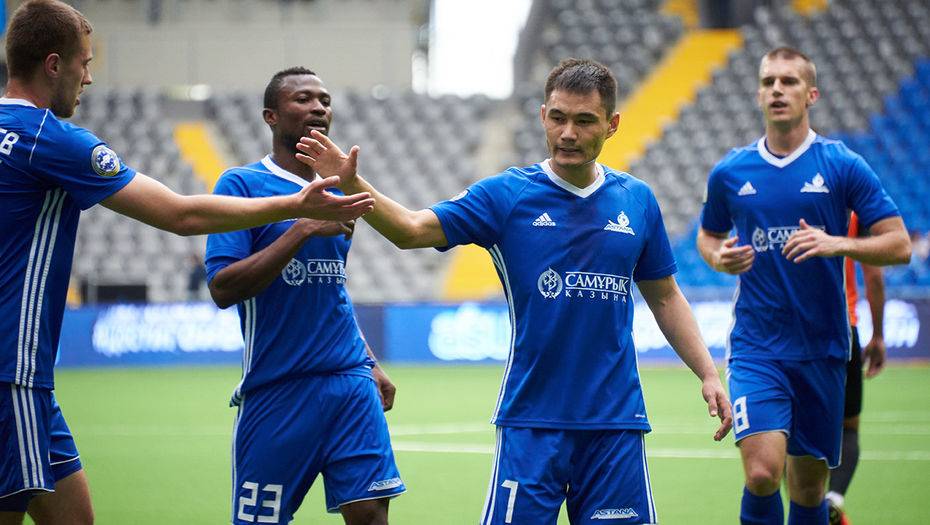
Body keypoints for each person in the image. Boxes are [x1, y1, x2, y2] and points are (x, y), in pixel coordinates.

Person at [297, 58, 732, 525]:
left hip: (615, 424)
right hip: (530, 424)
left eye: (585, 121)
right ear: (543, 115)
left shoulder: (637, 200)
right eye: (558, 117)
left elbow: (664, 296)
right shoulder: (507, 195)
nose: (568, 133)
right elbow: (410, 229)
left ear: (612, 125)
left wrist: (708, 373)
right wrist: (351, 181)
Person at [0, 2, 374, 523]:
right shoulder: (50, 138)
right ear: (53, 64)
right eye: (85, 63)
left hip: (31, 382)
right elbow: (181, 214)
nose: (89, 78)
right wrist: (297, 207)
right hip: (12, 371)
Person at [697, 47, 910, 525]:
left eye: (789, 81)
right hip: (757, 347)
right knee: (761, 473)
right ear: (758, 94)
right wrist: (717, 257)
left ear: (811, 94)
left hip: (824, 348)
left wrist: (837, 244)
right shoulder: (731, 171)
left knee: (810, 490)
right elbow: (707, 237)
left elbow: (899, 245)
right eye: (768, 81)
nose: (777, 89)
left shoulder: (842, 164)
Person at [205, 67, 404, 525]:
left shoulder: (340, 190)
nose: (318, 107)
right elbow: (223, 288)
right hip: (278, 389)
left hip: (350, 382)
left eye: (324, 100)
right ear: (271, 116)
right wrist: (302, 228)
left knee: (372, 515)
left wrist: (368, 360)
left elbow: (330, 288)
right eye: (303, 99)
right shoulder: (241, 186)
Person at [825, 212, 886, 525]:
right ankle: (833, 499)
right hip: (842, 328)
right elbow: (873, 277)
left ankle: (807, 506)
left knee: (789, 431)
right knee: (847, 427)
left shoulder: (777, 195)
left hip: (788, 333)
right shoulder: (852, 209)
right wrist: (878, 335)